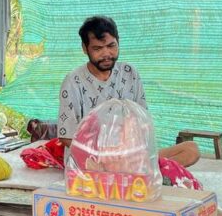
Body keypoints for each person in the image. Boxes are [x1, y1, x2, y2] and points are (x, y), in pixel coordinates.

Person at [57, 15, 200, 166]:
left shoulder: (129, 73)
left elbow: (142, 120)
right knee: (117, 168)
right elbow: (66, 136)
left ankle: (142, 171)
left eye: (111, 46)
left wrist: (131, 151)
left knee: (191, 150)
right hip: (93, 159)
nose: (106, 54)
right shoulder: (73, 81)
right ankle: (144, 172)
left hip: (129, 155)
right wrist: (105, 156)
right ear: (85, 48)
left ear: (118, 42)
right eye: (97, 48)